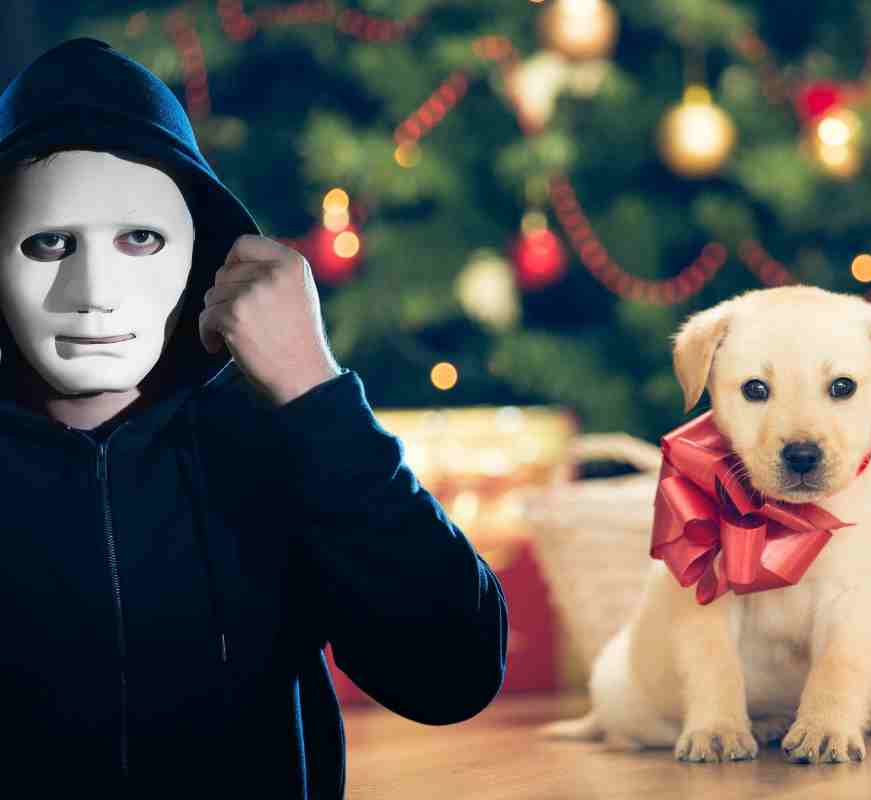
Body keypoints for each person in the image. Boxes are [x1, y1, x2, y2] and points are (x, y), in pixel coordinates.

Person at [0, 37, 508, 798]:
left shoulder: (271, 439)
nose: (93, 291)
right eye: (48, 242)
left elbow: (450, 674)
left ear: (204, 254)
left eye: (140, 238)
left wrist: (316, 396)